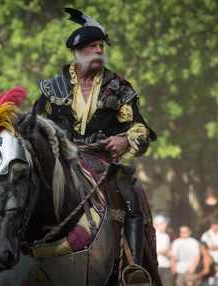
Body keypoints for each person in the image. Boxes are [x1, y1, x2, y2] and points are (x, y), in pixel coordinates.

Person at [37, 7, 158, 281]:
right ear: (76, 53)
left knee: (133, 194)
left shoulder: (119, 87)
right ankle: (8, 257)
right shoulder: (52, 89)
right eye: (92, 46)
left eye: (101, 45)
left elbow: (141, 128)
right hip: (60, 162)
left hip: (103, 164)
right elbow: (36, 127)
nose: (98, 51)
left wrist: (126, 138)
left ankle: (133, 268)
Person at [201, 217, 218, 286]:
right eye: (212, 225)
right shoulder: (206, 235)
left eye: (215, 224)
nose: (214, 226)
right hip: (211, 262)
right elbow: (202, 248)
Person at [153, 215, 173, 285]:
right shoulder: (152, 234)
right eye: (164, 223)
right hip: (157, 264)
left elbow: (169, 250)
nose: (166, 225)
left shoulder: (166, 236)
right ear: (159, 224)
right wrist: (160, 251)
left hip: (166, 265)